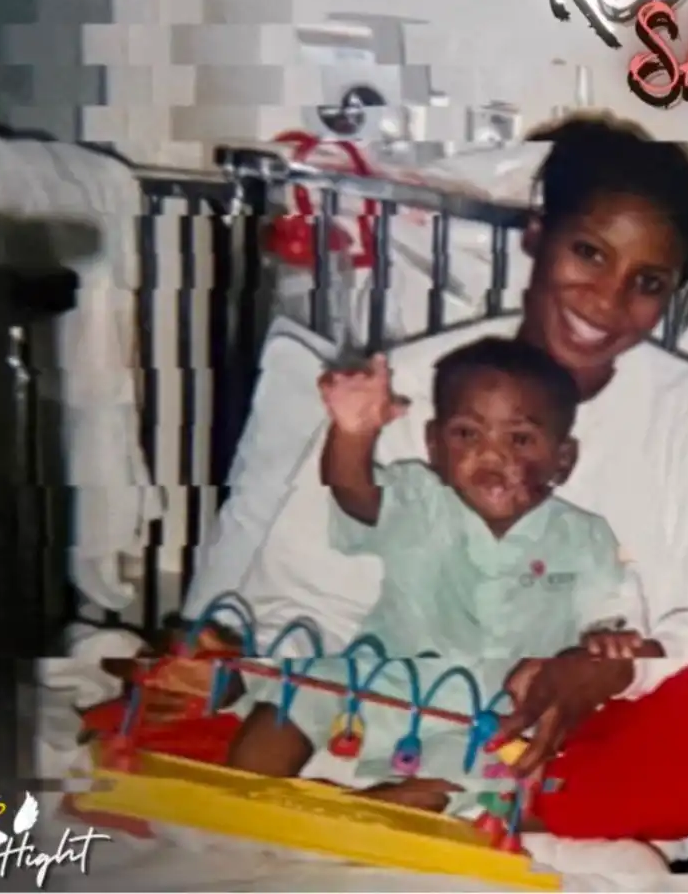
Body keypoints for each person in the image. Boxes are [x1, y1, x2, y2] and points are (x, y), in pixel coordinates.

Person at [93, 113, 688, 867]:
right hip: (388, 704)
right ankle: (342, 801)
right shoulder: (412, 386)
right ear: (537, 234)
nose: (607, 302)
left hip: (586, 739)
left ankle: (467, 804)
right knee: (178, 714)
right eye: (588, 253)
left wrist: (618, 667)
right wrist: (230, 663)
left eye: (648, 283)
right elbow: (305, 591)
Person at [226, 337, 650, 815]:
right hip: (384, 680)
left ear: (563, 459)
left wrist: (605, 641)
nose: (491, 455)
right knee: (301, 690)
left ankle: (367, 816)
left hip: (492, 711)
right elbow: (353, 492)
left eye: (520, 440)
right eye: (467, 434)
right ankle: (240, 803)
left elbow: (607, 615)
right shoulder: (418, 498)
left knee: (490, 771)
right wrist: (353, 433)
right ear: (433, 445)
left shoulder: (585, 537)